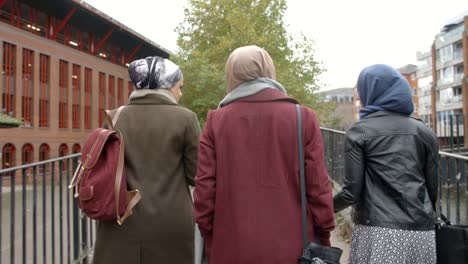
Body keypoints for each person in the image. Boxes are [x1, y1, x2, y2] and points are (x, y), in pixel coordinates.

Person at [193, 45, 335, 264]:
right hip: (293, 247)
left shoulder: (216, 121)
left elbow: (204, 190)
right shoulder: (302, 117)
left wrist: (208, 232)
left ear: (231, 74)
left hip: (231, 246)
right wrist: (324, 233)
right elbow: (318, 185)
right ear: (269, 70)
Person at [92, 56, 200, 264]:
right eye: (179, 87)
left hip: (120, 219)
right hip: (170, 223)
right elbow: (196, 175)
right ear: (166, 86)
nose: (181, 93)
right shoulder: (185, 118)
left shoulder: (114, 117)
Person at [334, 64, 438, 264]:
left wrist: (324, 208)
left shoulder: (359, 132)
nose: (360, 98)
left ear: (371, 91)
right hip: (421, 233)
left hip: (378, 232)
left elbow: (351, 192)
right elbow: (432, 189)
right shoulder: (424, 132)